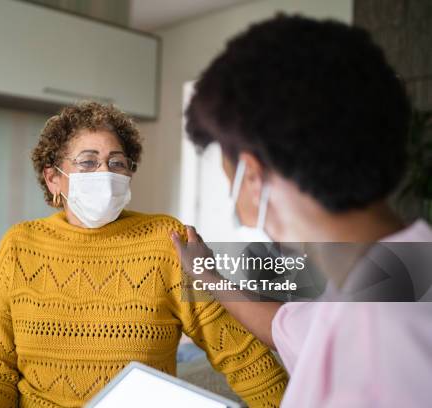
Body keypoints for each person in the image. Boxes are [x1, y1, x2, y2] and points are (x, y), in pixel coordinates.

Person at [172, 15, 432, 407]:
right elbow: (285, 328)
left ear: (254, 177)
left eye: (230, 179)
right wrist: (207, 274)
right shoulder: (395, 272)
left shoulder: (379, 344)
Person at [0, 101, 288, 408]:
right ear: (54, 178)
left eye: (116, 163)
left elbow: (241, 354)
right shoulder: (19, 245)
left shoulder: (165, 239)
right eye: (88, 162)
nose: (105, 173)